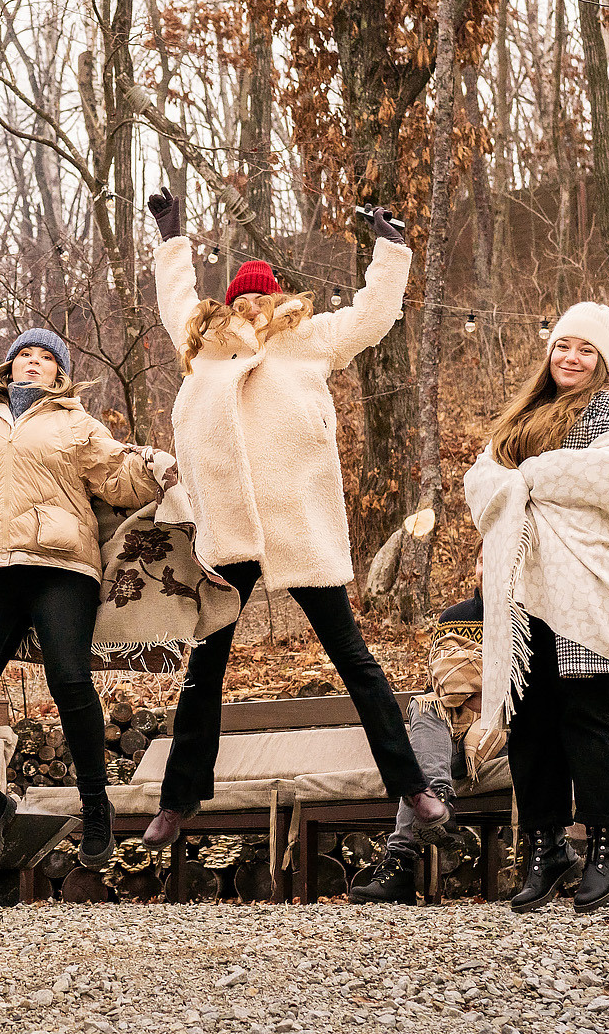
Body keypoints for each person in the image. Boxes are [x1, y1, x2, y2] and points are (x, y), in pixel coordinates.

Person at [138, 187, 447, 850]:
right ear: (229, 304)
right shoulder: (206, 342)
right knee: (204, 665)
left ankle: (412, 784)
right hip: (228, 531)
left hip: (297, 526)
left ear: (280, 298)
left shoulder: (309, 339)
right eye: (241, 297)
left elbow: (372, 316)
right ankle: (177, 800)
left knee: (354, 657)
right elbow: (174, 299)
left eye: (261, 296)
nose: (250, 305)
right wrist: (172, 235)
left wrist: (390, 250)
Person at [0, 330, 164, 871]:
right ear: (10, 366)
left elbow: (117, 474)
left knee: (69, 678)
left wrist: (153, 469)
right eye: (26, 354)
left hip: (61, 567)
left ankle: (96, 805)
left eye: (47, 359)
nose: (35, 364)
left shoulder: (76, 424)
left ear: (58, 374)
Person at [464, 301, 609, 914]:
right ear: (548, 350)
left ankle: (607, 851)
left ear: (602, 360)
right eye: (563, 346)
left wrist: (532, 476)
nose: (571, 358)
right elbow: (481, 482)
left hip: (588, 585)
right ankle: (545, 846)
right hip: (526, 588)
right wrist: (518, 483)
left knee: (590, 713)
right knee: (530, 716)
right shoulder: (523, 415)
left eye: (586, 350)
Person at [348, 556, 501, 904]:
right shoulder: (453, 618)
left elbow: (515, 687)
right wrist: (481, 678)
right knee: (424, 704)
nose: (486, 567)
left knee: (420, 761)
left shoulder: (529, 617)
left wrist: (470, 682)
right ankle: (438, 797)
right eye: (480, 560)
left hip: (500, 733)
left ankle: (402, 861)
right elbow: (442, 681)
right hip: (449, 737)